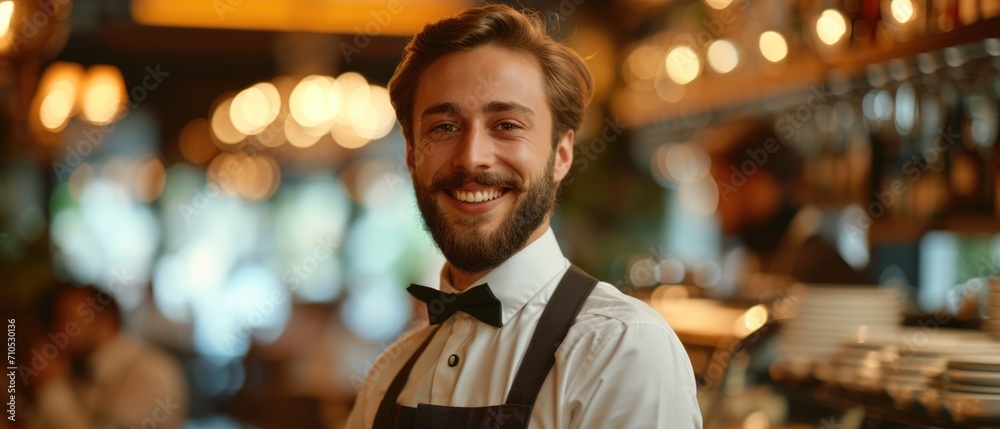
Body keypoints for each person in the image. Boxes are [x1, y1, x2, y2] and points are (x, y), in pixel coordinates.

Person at [345, 5, 701, 429]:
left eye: (507, 125)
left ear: (561, 155)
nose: (473, 158)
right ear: (411, 155)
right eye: (444, 127)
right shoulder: (389, 372)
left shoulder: (622, 349)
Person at [707, 119, 871, 288]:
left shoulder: (821, 266)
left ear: (759, 187)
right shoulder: (758, 258)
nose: (718, 206)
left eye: (723, 189)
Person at [28, 285, 188, 429]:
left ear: (106, 321)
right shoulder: (81, 368)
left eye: (68, 320)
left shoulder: (150, 372)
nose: (57, 332)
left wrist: (52, 387)